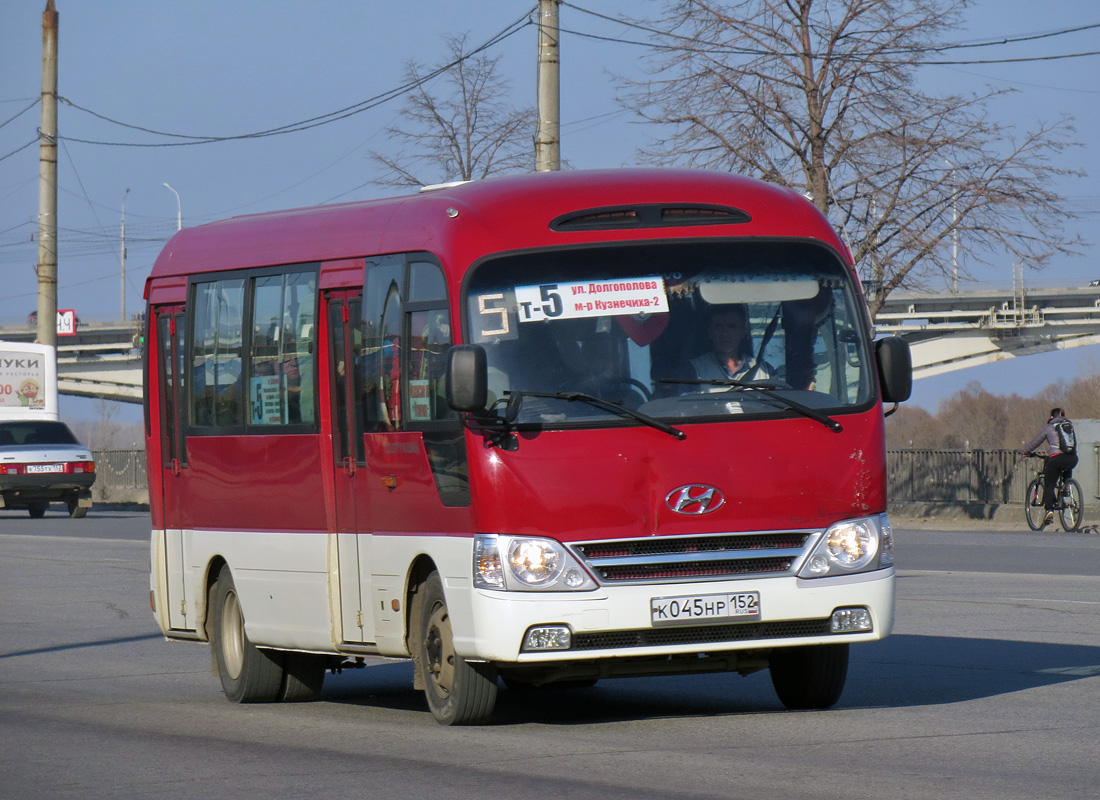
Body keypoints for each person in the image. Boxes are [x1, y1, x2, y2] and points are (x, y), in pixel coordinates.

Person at [1021, 407, 1078, 527]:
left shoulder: (1050, 427)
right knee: (1066, 470)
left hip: (1056, 458)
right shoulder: (1069, 426)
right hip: (1073, 458)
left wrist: (1025, 451)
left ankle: (1049, 511)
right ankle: (1066, 487)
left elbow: (1035, 442)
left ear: (1051, 417)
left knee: (1049, 484)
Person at [690, 304, 771, 386]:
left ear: (743, 332)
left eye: (732, 327)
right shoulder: (693, 370)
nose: (725, 333)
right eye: (718, 327)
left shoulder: (765, 371)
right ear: (710, 333)